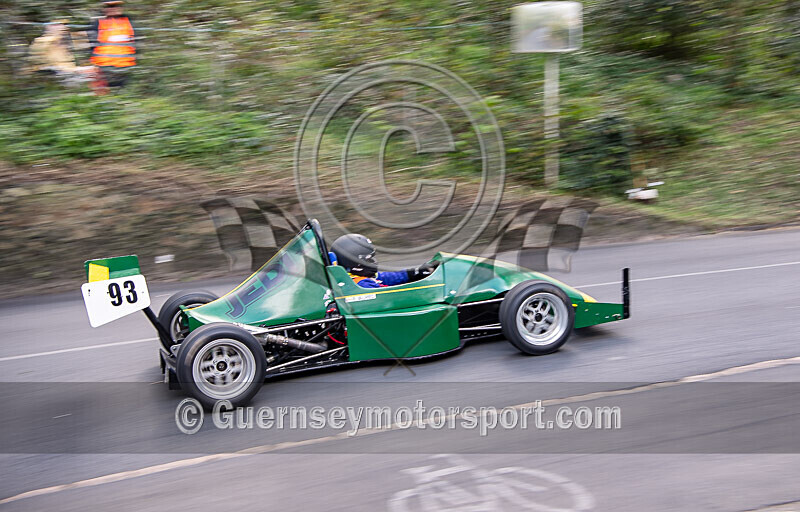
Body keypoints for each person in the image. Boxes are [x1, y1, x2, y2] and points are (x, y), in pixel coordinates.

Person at [329, 234, 438, 289]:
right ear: (355, 263)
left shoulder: (352, 279)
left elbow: (386, 277)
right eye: (369, 259)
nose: (374, 262)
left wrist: (415, 272)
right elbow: (389, 296)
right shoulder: (362, 285)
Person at [24, 21, 95, 85]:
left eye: (63, 24)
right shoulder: (42, 42)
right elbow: (38, 65)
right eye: (57, 25)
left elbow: (86, 38)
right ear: (48, 27)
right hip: (58, 76)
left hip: (70, 74)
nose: (62, 27)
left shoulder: (65, 40)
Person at [88, 0, 136, 88]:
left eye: (116, 5)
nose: (113, 8)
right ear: (104, 9)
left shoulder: (129, 21)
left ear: (121, 7)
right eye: (110, 6)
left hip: (125, 67)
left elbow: (136, 41)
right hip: (105, 67)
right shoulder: (97, 23)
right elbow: (91, 46)